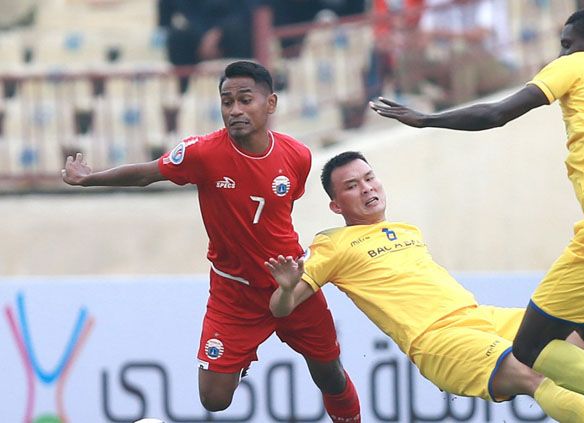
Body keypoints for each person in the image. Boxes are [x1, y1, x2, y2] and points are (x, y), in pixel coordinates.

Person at [370, 6, 584, 423]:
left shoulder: (579, 65)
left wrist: (427, 119)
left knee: (529, 350)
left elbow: (497, 113)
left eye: (566, 44)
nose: (561, 54)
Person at [61, 61, 361, 422]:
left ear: (270, 104)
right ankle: (238, 359)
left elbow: (282, 206)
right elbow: (146, 175)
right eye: (226, 101)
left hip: (292, 283)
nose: (234, 110)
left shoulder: (297, 155)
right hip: (233, 292)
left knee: (329, 374)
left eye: (245, 100)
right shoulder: (202, 153)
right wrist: (90, 178)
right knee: (214, 400)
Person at [265, 151, 584, 423]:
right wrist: (285, 288)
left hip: (478, 317)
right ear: (336, 205)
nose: (366, 189)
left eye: (369, 178)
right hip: (439, 340)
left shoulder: (406, 229)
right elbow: (282, 308)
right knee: (536, 377)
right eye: (351, 186)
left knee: (583, 337)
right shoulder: (332, 244)